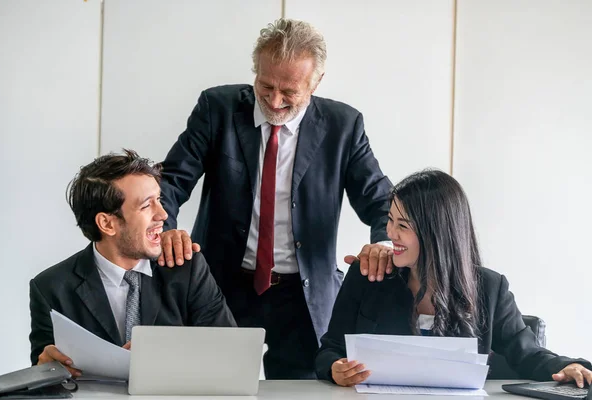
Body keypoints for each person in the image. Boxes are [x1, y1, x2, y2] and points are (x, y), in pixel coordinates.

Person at [156, 18, 393, 379]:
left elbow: (381, 202)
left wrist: (385, 244)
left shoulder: (343, 126)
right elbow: (170, 182)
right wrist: (165, 229)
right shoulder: (216, 108)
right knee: (211, 385)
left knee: (299, 391)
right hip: (223, 285)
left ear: (316, 83)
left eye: (290, 91)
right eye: (265, 86)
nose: (275, 100)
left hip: (302, 295)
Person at [316, 170, 592, 387]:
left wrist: (568, 366)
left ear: (436, 233)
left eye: (403, 226)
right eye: (390, 220)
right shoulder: (369, 276)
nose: (390, 233)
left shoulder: (490, 289)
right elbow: (329, 350)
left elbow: (528, 355)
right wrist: (335, 370)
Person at [29, 150, 236, 377]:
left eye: (159, 200)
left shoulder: (188, 269)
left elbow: (231, 355)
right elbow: (45, 371)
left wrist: (170, 356)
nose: (163, 215)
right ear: (107, 224)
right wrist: (46, 369)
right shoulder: (50, 288)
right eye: (147, 206)